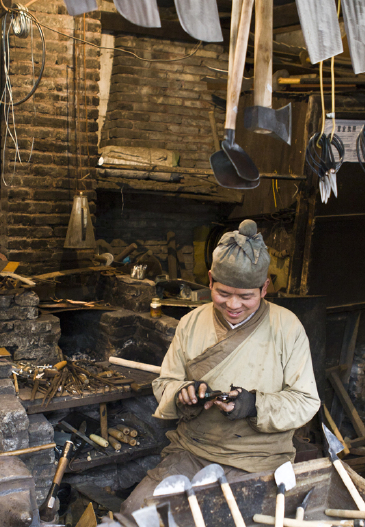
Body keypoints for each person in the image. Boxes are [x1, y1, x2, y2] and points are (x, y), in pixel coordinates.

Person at [122, 219, 320, 511]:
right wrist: (183, 394)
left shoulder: (287, 327)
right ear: (211, 280)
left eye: (246, 296)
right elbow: (164, 382)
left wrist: (254, 405)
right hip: (193, 451)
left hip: (259, 459)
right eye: (223, 293)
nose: (234, 305)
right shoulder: (191, 323)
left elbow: (305, 401)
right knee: (136, 514)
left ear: (265, 288)